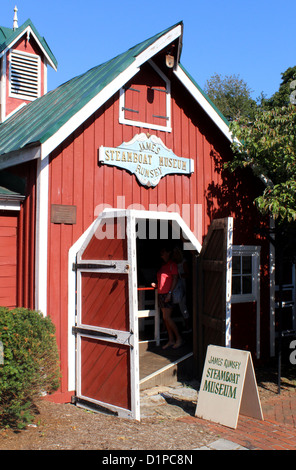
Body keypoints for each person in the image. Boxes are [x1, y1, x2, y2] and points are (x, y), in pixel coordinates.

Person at [152, 247, 182, 349]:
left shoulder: (172, 265)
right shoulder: (163, 266)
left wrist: (169, 293)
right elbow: (163, 280)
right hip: (161, 294)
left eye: (163, 252)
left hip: (167, 294)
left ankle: (179, 339)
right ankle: (171, 340)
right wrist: (156, 285)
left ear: (168, 253)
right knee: (165, 319)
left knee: (167, 317)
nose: (162, 254)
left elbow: (175, 279)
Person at [173, 246, 191, 332]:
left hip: (181, 286)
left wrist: (178, 276)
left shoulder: (183, 262)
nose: (175, 255)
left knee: (183, 306)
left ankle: (187, 326)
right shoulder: (174, 263)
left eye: (176, 253)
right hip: (174, 286)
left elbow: (188, 274)